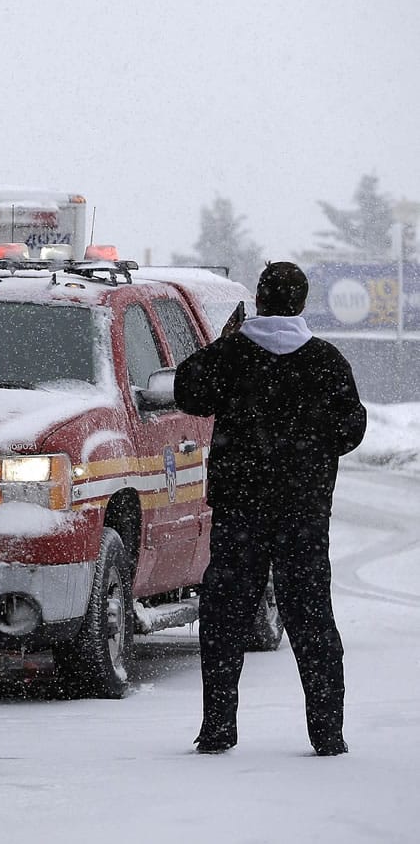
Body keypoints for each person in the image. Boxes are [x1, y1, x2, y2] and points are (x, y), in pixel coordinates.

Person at [175, 262, 366, 756]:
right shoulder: (326, 361)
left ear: (259, 300)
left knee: (225, 618)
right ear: (302, 303)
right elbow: (350, 429)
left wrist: (223, 341)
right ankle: (327, 733)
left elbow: (188, 392)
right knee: (312, 618)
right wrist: (308, 451)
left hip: (241, 510)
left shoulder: (233, 355)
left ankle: (218, 728)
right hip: (303, 513)